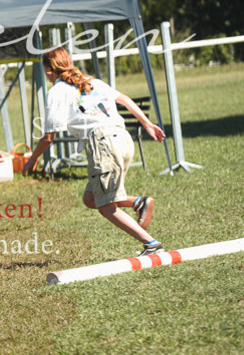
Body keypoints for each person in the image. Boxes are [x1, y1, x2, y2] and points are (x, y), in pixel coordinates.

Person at [22, 47, 166, 256]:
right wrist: (147, 124)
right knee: (91, 198)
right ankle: (138, 202)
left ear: (47, 70)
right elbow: (124, 99)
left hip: (103, 144)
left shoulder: (56, 92)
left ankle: (152, 245)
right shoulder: (92, 81)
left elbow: (48, 136)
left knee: (106, 206)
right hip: (123, 139)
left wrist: (31, 160)